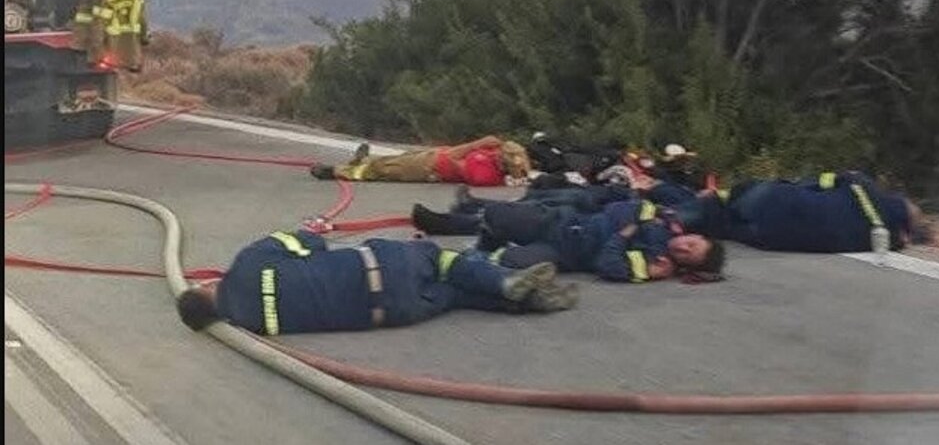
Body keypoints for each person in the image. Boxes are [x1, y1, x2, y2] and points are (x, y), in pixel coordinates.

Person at [175, 228, 577, 335]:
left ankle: (528, 300)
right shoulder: (246, 264)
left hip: (396, 312)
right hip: (381, 266)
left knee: (455, 296)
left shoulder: (252, 325)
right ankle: (505, 281)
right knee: (442, 259)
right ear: (204, 288)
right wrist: (313, 232)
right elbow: (309, 240)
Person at [415, 199, 725, 283]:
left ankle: (430, 256)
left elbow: (607, 264)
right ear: (695, 235)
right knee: (498, 215)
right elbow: (620, 208)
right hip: (562, 223)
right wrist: (632, 228)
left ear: (684, 266)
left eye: (688, 255)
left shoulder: (656, 264)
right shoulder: (666, 220)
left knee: (508, 264)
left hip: (563, 253)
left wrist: (623, 234)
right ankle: (441, 223)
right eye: (691, 243)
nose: (683, 247)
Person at [684, 171, 932, 253]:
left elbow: (812, 182)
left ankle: (675, 216)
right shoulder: (884, 242)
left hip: (776, 202)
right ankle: (682, 223)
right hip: (768, 238)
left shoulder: (859, 183)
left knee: (720, 201)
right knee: (720, 225)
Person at [309, 136, 531, 186]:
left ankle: (334, 172)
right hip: (434, 155)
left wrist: (477, 143)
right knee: (390, 159)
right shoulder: (493, 157)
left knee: (383, 169)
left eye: (502, 152)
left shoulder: (484, 176)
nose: (498, 151)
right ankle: (361, 160)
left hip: (428, 168)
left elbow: (454, 158)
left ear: (504, 164)